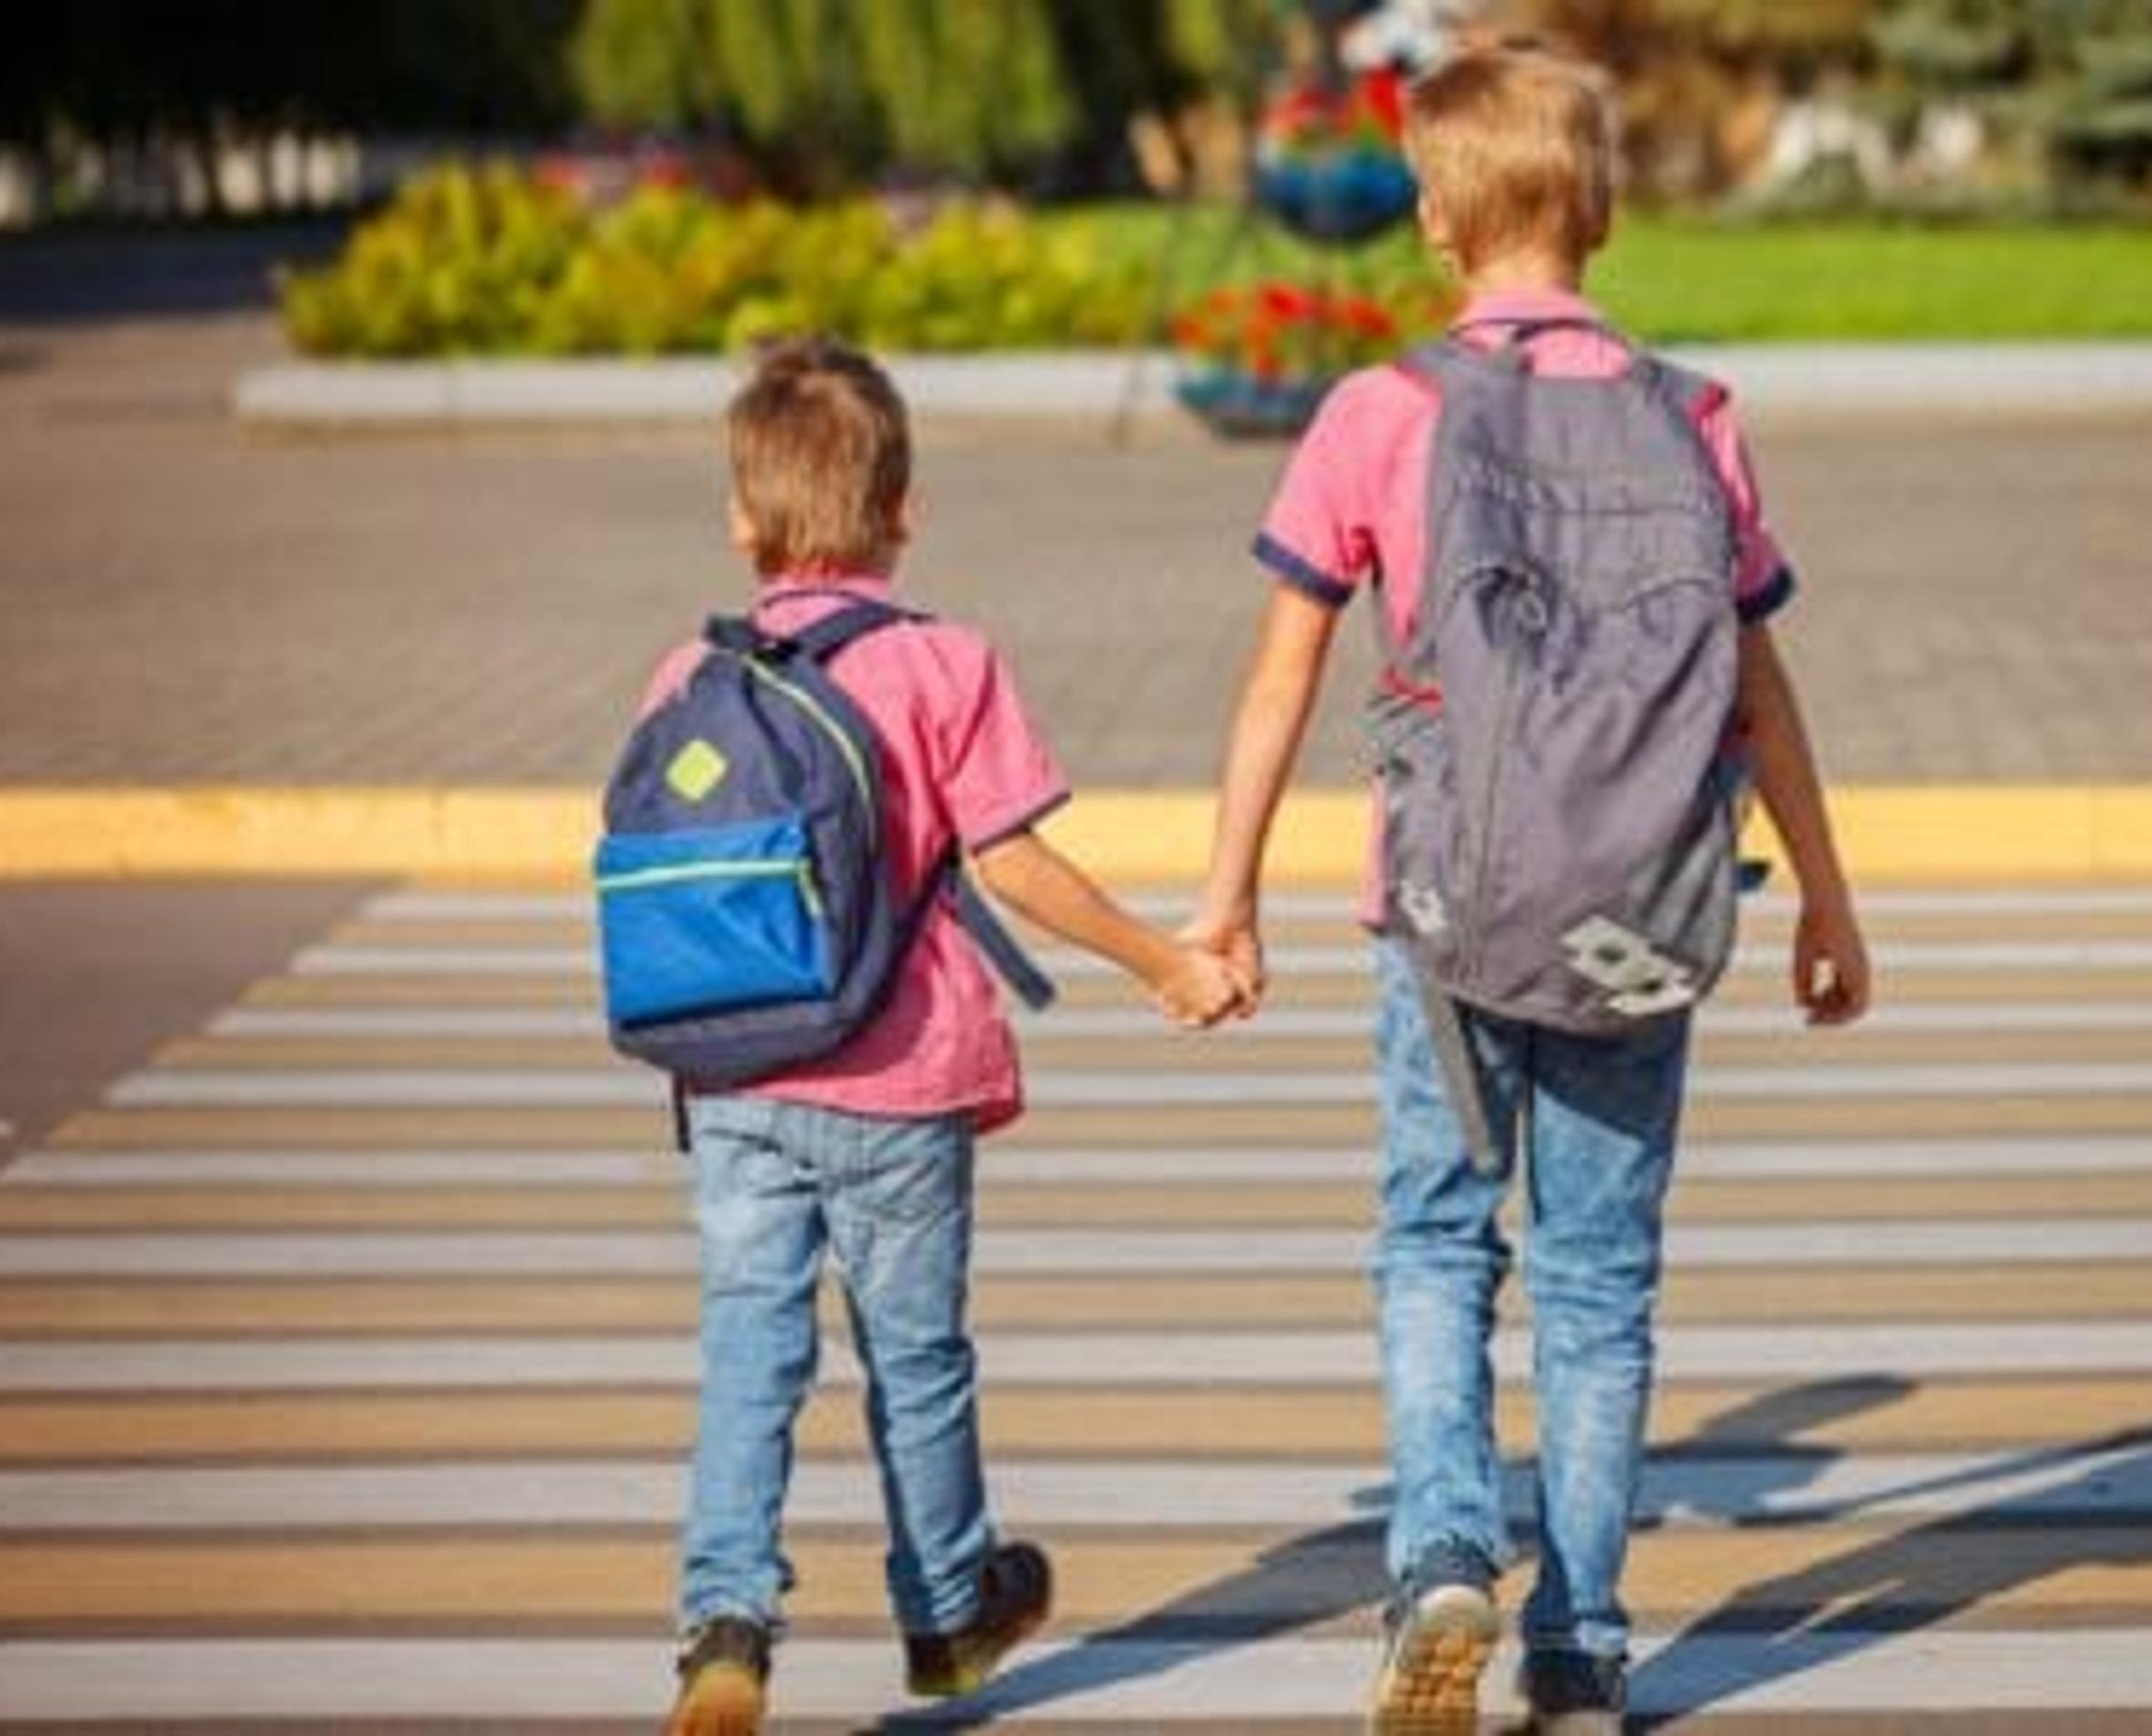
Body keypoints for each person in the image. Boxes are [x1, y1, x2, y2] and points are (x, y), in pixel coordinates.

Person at [1185, 40, 1874, 1736]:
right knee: (1600, 1280)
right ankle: (1581, 1639)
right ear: (1606, 213)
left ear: (1432, 217)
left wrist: (1226, 899)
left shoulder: (1379, 413)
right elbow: (1758, 685)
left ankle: (1438, 1557)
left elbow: (1281, 675)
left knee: (1433, 1243)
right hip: (1646, 912)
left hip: (1440, 920)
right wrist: (1831, 905)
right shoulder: (1694, 419)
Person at [654, 338, 1254, 1736]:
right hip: (903, 1080)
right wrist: (1165, 958)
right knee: (915, 1357)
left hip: (735, 1074)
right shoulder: (942, 665)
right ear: (906, 510)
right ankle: (944, 1614)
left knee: (750, 1351)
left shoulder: (686, 675)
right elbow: (1018, 867)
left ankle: (726, 1623)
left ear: (742, 522)